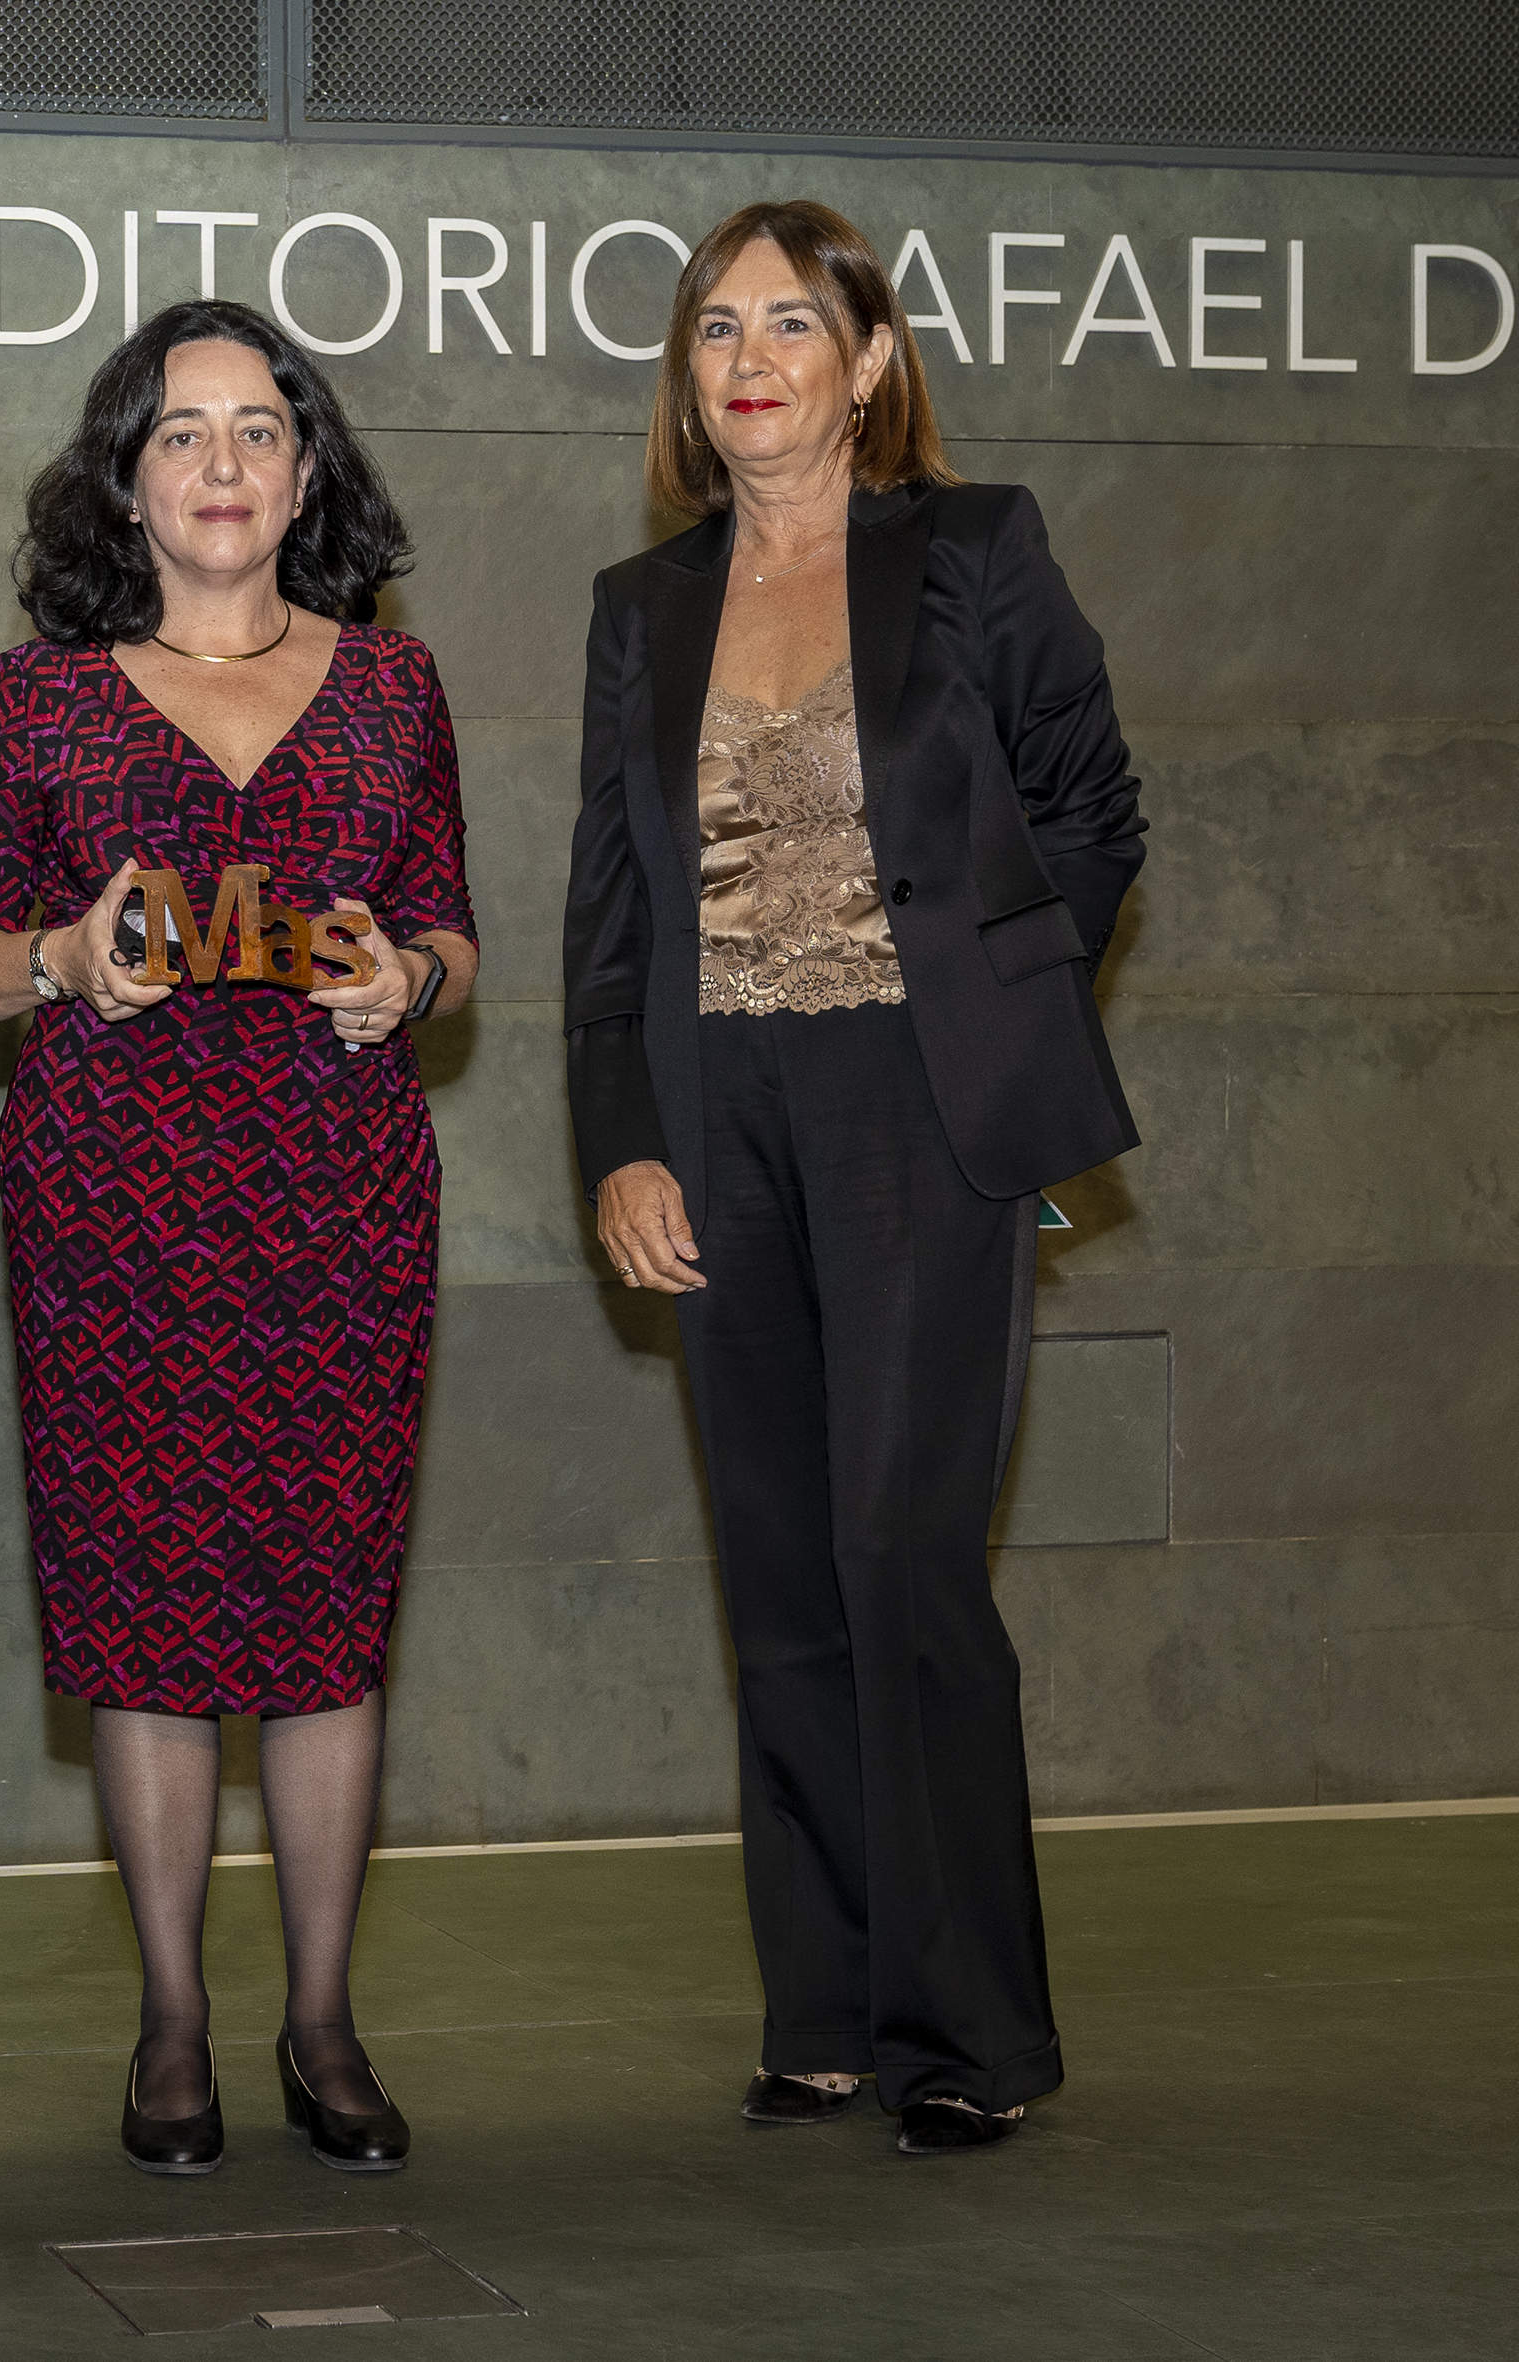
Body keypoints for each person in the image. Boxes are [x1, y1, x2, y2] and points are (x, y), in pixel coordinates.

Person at [561, 200, 1146, 2157]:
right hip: (712, 1106)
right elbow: (609, 915)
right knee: (786, 1578)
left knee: (904, 1556)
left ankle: (965, 2018)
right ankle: (821, 2005)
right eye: (711, 325)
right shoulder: (638, 608)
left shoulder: (970, 551)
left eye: (786, 322)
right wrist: (619, 1139)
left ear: (866, 359)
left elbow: (1089, 801)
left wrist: (981, 1002)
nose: (743, 356)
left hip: (919, 1108)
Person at [0, 299, 474, 2179]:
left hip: (335, 1205)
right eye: (178, 432)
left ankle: (320, 2018)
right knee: (144, 1633)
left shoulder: (392, 689)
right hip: (109, 1215)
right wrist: (65, 955)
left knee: (324, 1628)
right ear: (122, 479)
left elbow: (449, 931)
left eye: (255, 430)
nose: (219, 463)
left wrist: (407, 977)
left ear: (304, 470)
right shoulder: (38, 696)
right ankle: (170, 2024)